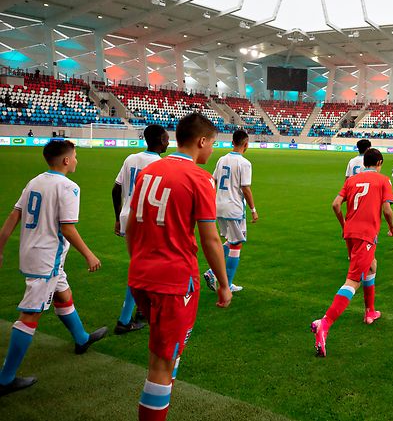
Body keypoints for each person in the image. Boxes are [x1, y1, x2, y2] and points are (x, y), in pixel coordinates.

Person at [126, 113, 232, 420]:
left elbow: (131, 225)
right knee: (161, 366)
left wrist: (139, 261)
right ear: (201, 141)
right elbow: (211, 238)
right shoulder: (200, 178)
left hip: (141, 275)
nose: (212, 149)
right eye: (212, 143)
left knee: (162, 355)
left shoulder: (150, 170)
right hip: (174, 282)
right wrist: (224, 284)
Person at [0, 140, 106, 396]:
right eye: (75, 156)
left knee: (63, 294)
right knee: (30, 314)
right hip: (46, 259)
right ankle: (5, 379)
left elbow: (14, 215)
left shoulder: (35, 181)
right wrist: (89, 254)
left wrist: (0, 248)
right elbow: (67, 228)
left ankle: (81, 339)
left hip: (35, 253)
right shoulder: (68, 187)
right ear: (66, 160)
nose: (77, 160)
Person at [311, 149, 393, 357]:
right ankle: (325, 323)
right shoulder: (383, 180)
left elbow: (335, 204)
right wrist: (392, 226)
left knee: (372, 266)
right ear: (379, 162)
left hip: (350, 232)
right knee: (353, 280)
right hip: (365, 234)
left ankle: (370, 312)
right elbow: (387, 210)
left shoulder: (352, 180)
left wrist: (344, 223)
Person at [111, 124, 169, 335]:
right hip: (144, 221)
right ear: (161, 140)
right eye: (166, 138)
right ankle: (125, 319)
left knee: (143, 265)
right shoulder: (161, 165)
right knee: (147, 268)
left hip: (127, 217)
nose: (168, 142)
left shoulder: (131, 159)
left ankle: (142, 310)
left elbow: (116, 189)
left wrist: (118, 218)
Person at [203, 130, 259, 293]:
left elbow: (213, 181)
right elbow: (245, 189)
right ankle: (223, 282)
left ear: (232, 142)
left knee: (232, 240)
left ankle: (221, 278)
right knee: (237, 244)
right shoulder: (244, 163)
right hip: (234, 208)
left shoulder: (222, 159)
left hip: (219, 206)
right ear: (246, 144)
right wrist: (253, 209)